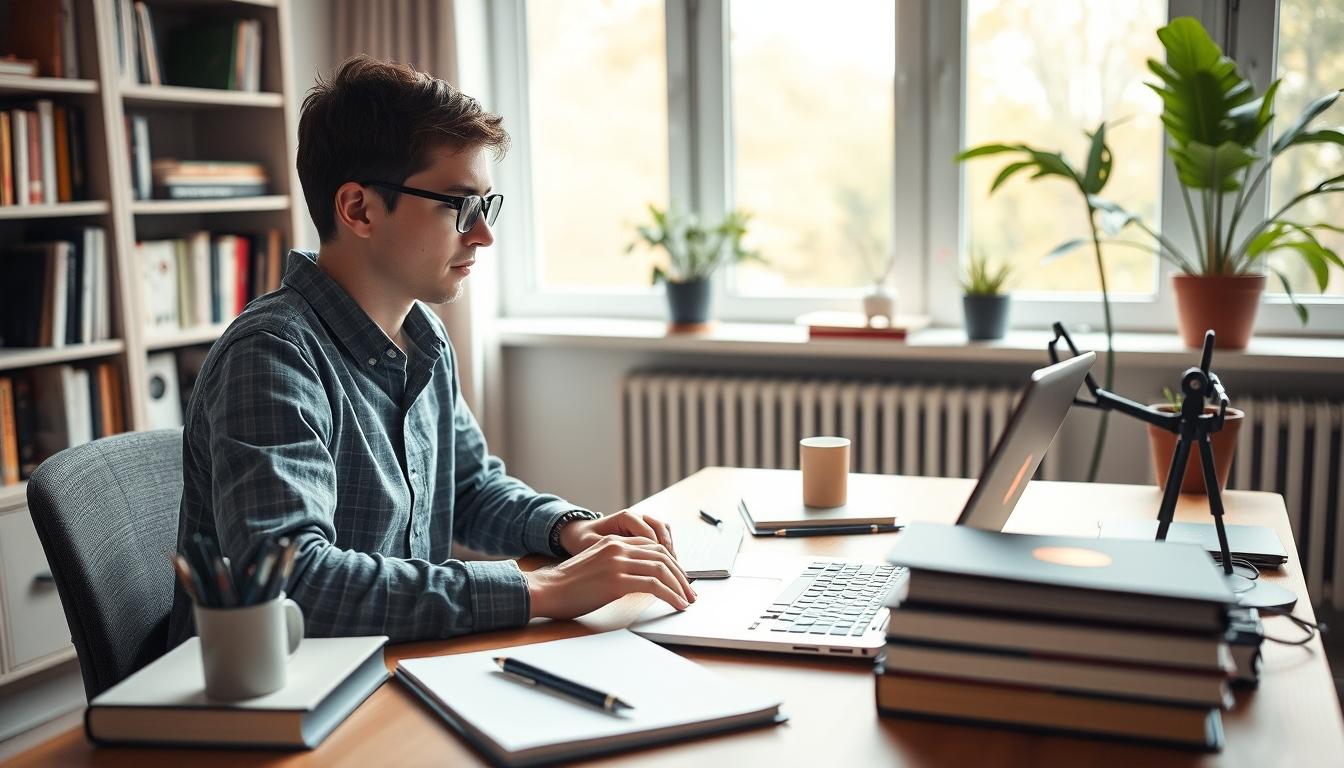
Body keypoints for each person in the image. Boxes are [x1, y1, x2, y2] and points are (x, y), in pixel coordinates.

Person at [167, 56, 695, 646]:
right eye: (458, 204)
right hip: (277, 699)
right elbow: (293, 585)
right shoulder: (272, 355)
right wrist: (540, 591)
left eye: (486, 205)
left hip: (384, 661)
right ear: (358, 209)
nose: (484, 234)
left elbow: (467, 487)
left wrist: (569, 530)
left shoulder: (422, 335)